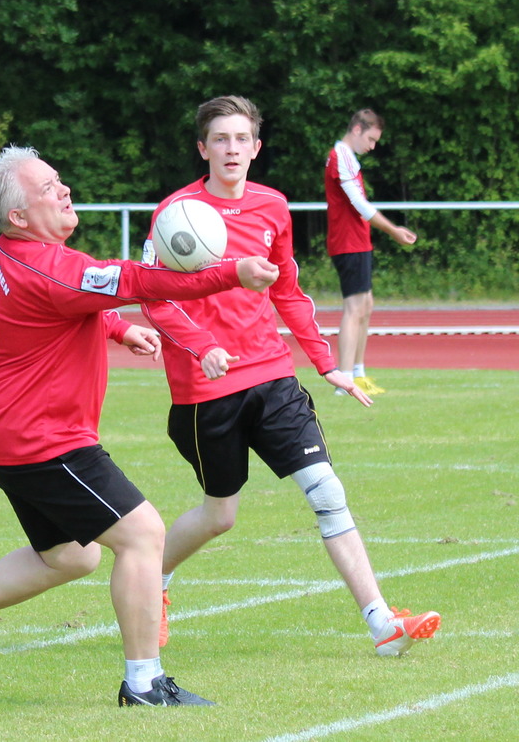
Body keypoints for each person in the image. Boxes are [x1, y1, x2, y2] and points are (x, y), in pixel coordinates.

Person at [0, 146, 279, 707]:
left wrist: (115, 329)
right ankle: (144, 683)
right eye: (48, 187)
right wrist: (232, 274)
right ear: (19, 217)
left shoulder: (16, 256)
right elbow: (132, 281)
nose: (64, 190)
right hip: (43, 440)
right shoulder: (48, 265)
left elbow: (69, 301)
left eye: (60, 180)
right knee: (144, 535)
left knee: (71, 556)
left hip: (11, 435)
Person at [141, 96, 440, 657]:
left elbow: (287, 291)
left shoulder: (273, 207)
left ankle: (382, 624)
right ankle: (151, 582)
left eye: (241, 139)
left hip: (273, 377)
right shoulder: (175, 214)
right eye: (220, 139)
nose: (231, 149)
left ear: (255, 148)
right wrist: (203, 347)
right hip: (208, 390)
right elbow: (154, 299)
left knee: (327, 492)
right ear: (202, 148)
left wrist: (330, 365)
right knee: (219, 515)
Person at [324, 108, 417, 396]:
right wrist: (394, 230)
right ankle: (346, 379)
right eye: (372, 139)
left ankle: (359, 373)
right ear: (357, 130)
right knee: (354, 309)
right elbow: (360, 205)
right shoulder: (340, 157)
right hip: (347, 243)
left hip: (358, 242)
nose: (373, 146)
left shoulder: (349, 158)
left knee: (366, 306)